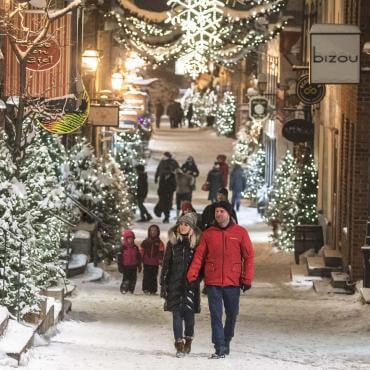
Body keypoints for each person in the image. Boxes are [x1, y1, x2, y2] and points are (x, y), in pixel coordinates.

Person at [187, 201, 254, 358]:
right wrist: (192, 275)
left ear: (228, 213)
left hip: (233, 281)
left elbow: (249, 257)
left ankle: (226, 339)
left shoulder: (240, 232)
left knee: (232, 314)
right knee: (216, 315)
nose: (218, 214)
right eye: (217, 211)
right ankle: (219, 346)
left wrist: (247, 278)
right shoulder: (208, 233)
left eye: (222, 211)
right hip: (213, 281)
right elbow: (199, 256)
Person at [160, 213, 202, 357]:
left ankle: (188, 339)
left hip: (190, 286)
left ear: (191, 228)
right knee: (176, 315)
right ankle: (179, 344)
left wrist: (196, 279)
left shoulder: (196, 244)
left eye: (186, 225)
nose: (183, 227)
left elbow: (201, 266)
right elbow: (166, 265)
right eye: (181, 224)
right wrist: (164, 284)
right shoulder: (172, 243)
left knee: (189, 317)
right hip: (174, 285)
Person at [140, 225, 165, 294]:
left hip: (154, 262)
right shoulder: (145, 242)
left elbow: (161, 251)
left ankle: (153, 290)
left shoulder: (160, 242)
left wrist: (160, 259)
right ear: (149, 232)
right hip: (146, 261)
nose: (153, 232)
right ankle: (145, 288)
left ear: (158, 232)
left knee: (153, 276)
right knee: (146, 275)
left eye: (155, 231)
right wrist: (141, 258)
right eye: (151, 230)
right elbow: (142, 250)